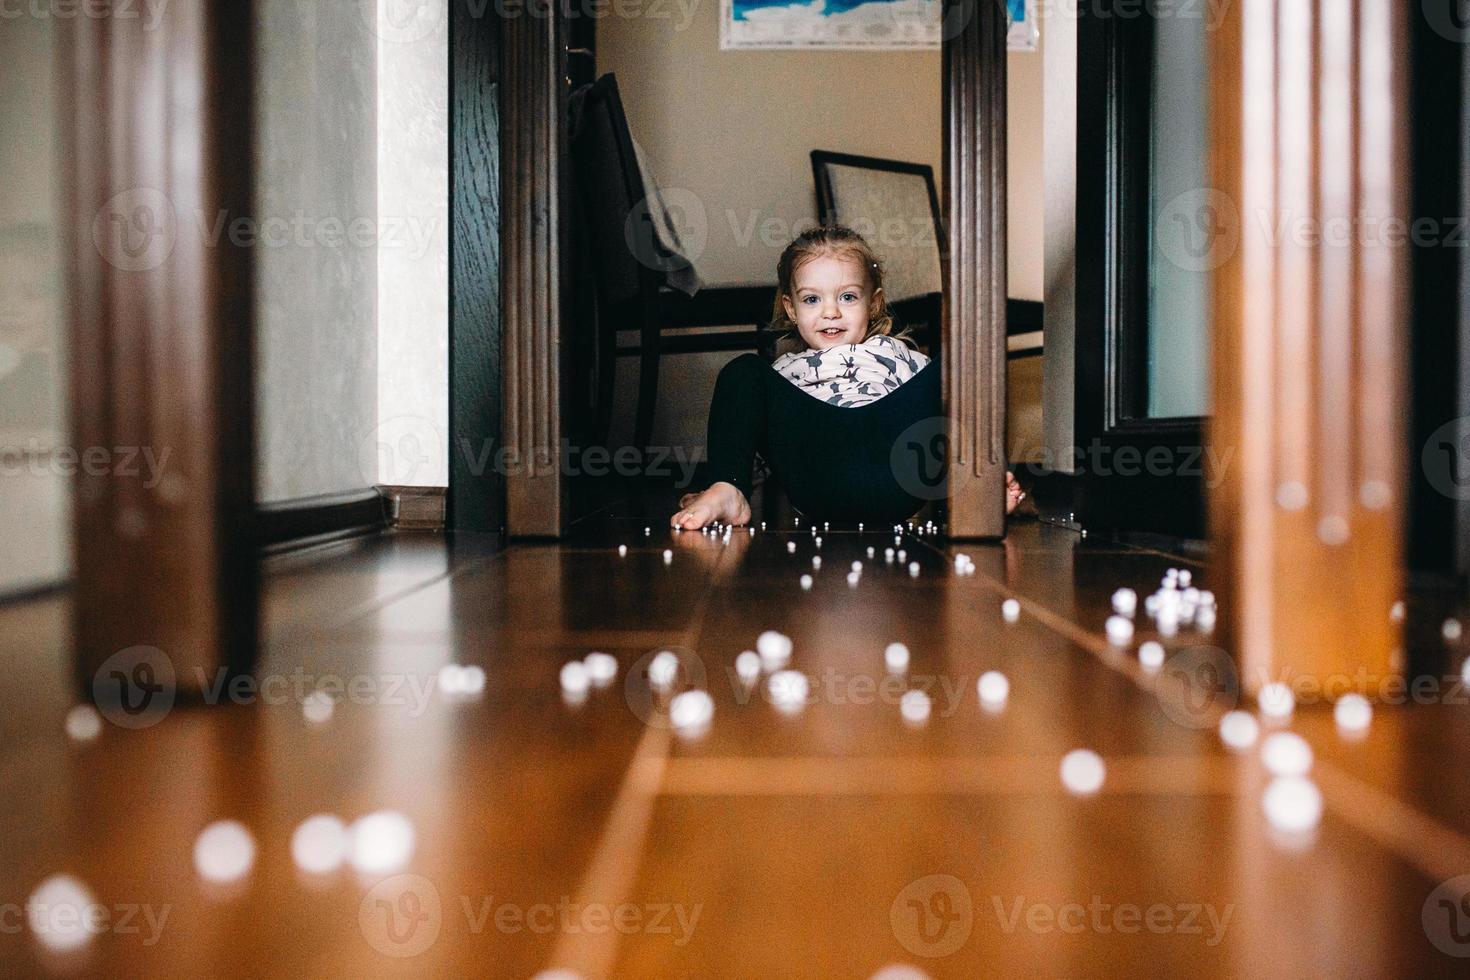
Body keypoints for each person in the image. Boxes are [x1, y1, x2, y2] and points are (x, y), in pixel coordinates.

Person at [670, 225, 1022, 530]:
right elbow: (757, 442)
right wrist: (732, 473)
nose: (830, 312)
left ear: (873, 303)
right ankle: (729, 492)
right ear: (791, 309)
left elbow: (940, 417)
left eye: (848, 296)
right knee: (742, 370)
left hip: (897, 469)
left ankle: (968, 494)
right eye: (811, 299)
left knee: (960, 362)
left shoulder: (900, 356)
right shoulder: (783, 374)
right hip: (820, 477)